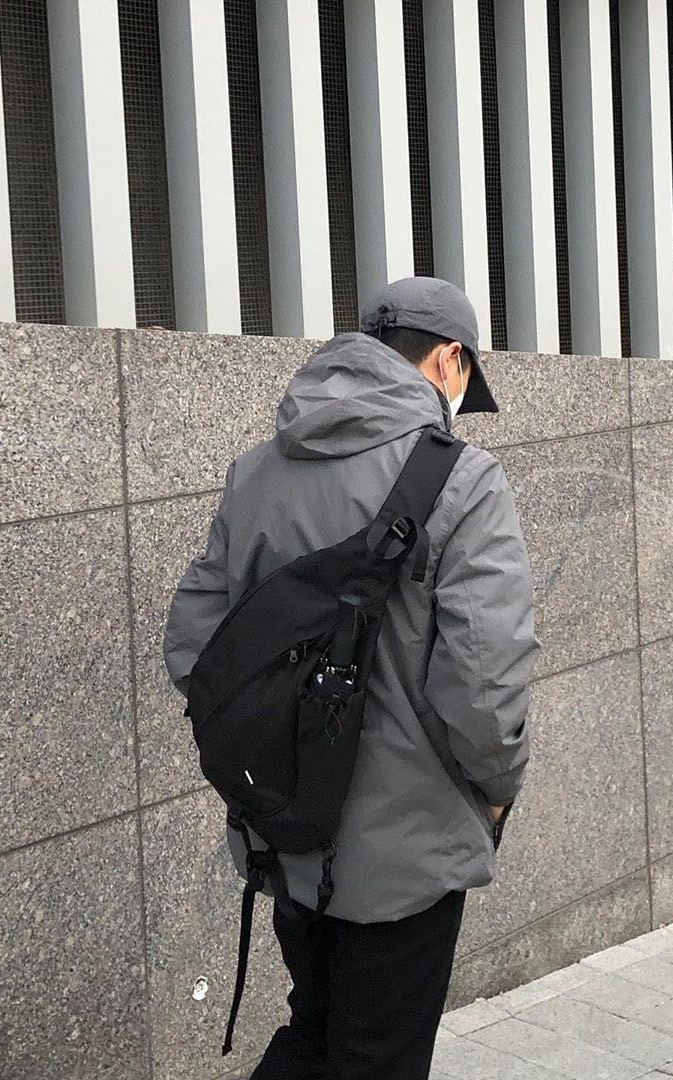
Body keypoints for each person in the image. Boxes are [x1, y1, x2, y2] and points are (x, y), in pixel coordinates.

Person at [164, 275, 541, 1079]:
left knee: (315, 1030)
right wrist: (498, 785)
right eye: (465, 375)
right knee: (376, 1057)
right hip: (405, 854)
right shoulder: (463, 479)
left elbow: (195, 642)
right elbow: (483, 683)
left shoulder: (257, 471)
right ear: (449, 359)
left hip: (285, 829)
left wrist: (270, 752)